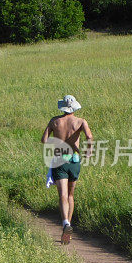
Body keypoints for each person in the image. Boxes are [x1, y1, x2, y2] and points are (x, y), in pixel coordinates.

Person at [41, 95, 93, 244]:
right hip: (75, 159)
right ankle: (68, 230)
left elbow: (44, 140)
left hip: (59, 159)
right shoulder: (80, 122)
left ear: (62, 107)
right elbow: (89, 136)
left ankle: (65, 223)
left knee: (62, 195)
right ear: (74, 107)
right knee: (70, 195)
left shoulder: (55, 121)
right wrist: (89, 151)